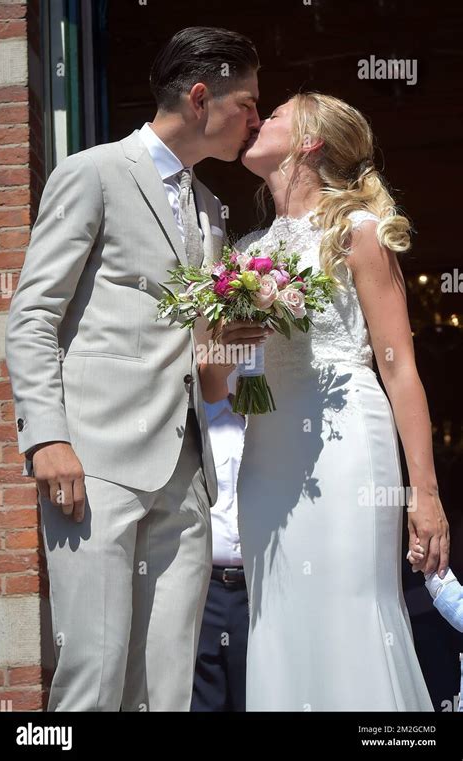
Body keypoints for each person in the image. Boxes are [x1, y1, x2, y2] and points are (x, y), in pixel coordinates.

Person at [5, 26, 267, 712]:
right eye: (249, 103)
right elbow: (31, 316)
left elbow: (204, 366)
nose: (256, 121)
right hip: (94, 464)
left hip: (185, 479)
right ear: (202, 96)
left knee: (166, 690)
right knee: (93, 677)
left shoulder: (213, 212)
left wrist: (234, 344)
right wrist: (47, 437)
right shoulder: (92, 173)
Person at [201, 92, 449, 711]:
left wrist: (426, 493)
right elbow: (222, 389)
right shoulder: (246, 250)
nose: (258, 122)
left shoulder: (357, 233)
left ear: (310, 142)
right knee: (279, 619)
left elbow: (401, 371)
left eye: (275, 115)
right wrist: (224, 354)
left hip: (344, 446)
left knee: (348, 613)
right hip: (266, 457)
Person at [191, 369, 249, 712]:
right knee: (201, 702)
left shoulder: (270, 431)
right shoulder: (192, 430)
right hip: (204, 590)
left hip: (257, 593)